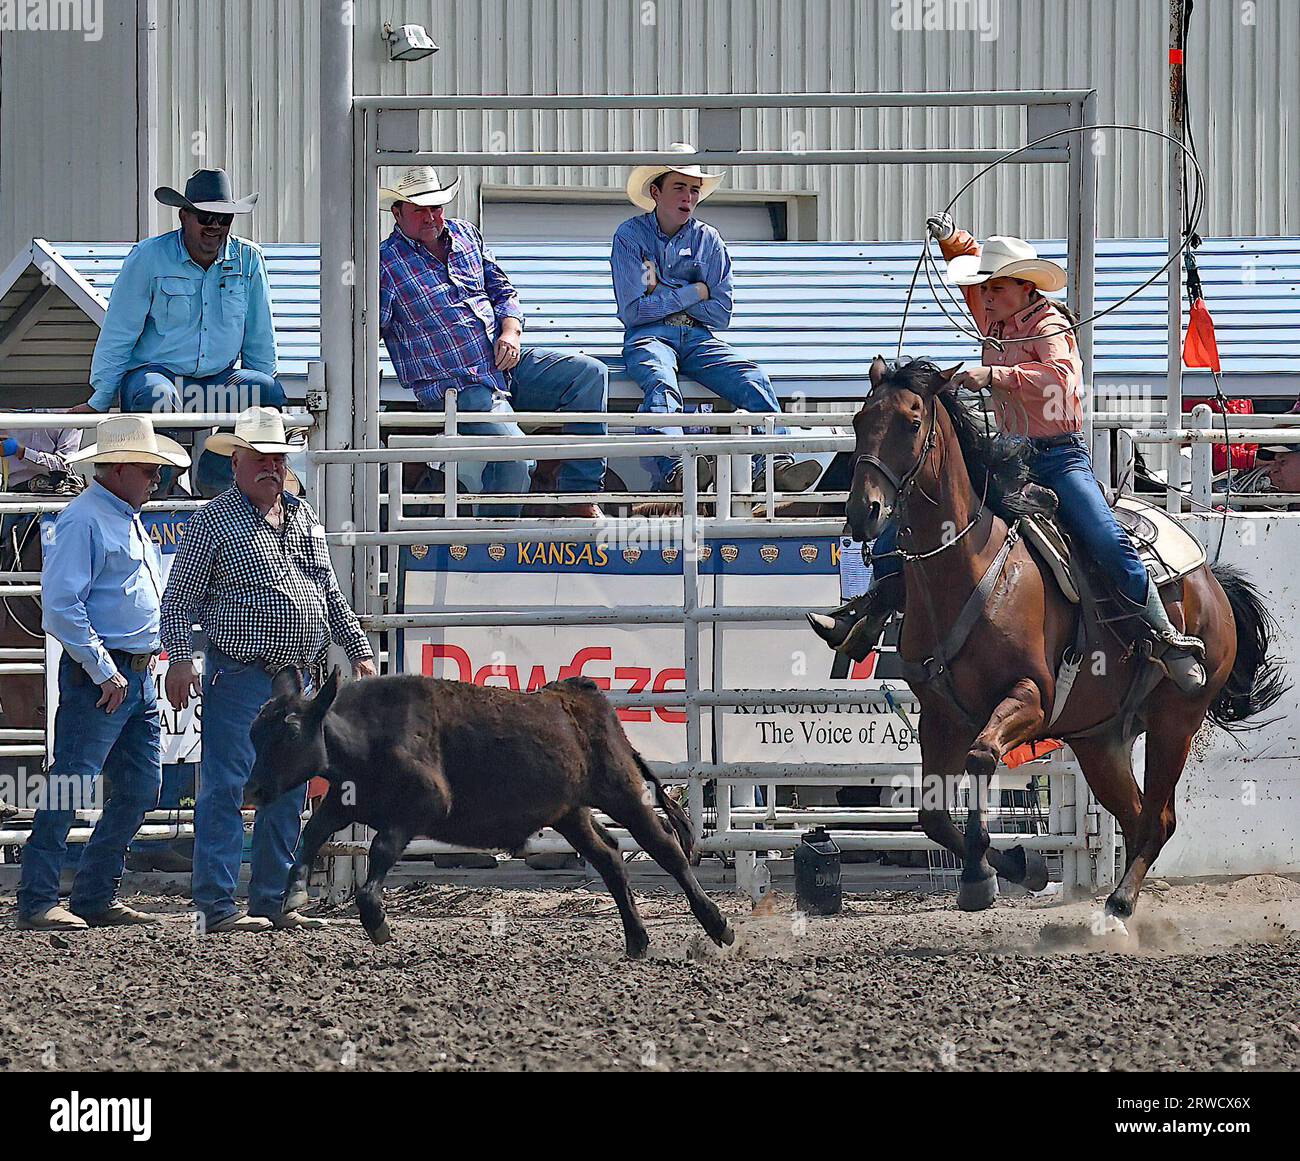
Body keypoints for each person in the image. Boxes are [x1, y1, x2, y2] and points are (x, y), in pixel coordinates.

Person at [811, 213, 1207, 694]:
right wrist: (951, 238)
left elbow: (1063, 380)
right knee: (924, 507)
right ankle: (872, 609)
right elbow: (970, 267)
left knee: (1104, 536)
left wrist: (997, 377)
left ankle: (1164, 636)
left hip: (1057, 457)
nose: (986, 296)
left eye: (996, 288)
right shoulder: (997, 315)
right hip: (1010, 456)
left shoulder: (1049, 325)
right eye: (988, 289)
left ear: (1023, 287)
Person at [161, 406, 376, 934]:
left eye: (277, 457)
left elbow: (328, 595)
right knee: (227, 785)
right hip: (239, 672)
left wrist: (359, 650)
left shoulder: (303, 516)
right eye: (259, 457)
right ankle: (217, 906)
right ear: (235, 462)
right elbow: (178, 601)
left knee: (288, 784)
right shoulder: (211, 522)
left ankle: (275, 898)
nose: (270, 466)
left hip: (294, 677)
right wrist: (182, 658)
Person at [14, 415, 189, 930]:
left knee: (136, 787)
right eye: (147, 469)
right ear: (117, 470)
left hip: (127, 674)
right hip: (108, 676)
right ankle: (41, 897)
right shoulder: (87, 519)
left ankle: (86, 894)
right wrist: (103, 669)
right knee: (77, 783)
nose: (156, 479)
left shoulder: (111, 514)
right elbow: (62, 606)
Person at [378, 166, 609, 518]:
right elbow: (367, 331)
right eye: (419, 210)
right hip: (454, 387)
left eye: (436, 207)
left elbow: (503, 290)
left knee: (590, 374)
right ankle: (493, 542)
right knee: (515, 456)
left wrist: (510, 331)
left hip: (504, 364)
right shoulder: (384, 262)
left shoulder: (466, 234)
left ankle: (579, 495)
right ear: (397, 213)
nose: (431, 216)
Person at [610, 142, 821, 496]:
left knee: (752, 377)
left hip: (696, 338)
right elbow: (633, 312)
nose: (688, 197)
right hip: (650, 337)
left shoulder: (710, 239)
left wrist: (663, 292)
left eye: (694, 190)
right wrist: (694, 291)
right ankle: (677, 465)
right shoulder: (629, 236)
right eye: (679, 187)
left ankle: (773, 462)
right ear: (655, 191)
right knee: (661, 383)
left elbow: (721, 314)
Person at [75, 168, 286, 494]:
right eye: (206, 217)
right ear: (184, 216)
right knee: (158, 396)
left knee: (267, 390)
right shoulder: (148, 257)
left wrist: (262, 403)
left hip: (214, 384)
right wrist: (100, 398)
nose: (215, 227)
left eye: (224, 219)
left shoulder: (249, 259)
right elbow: (120, 333)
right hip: (154, 377)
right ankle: (159, 489)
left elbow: (260, 339)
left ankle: (218, 481)